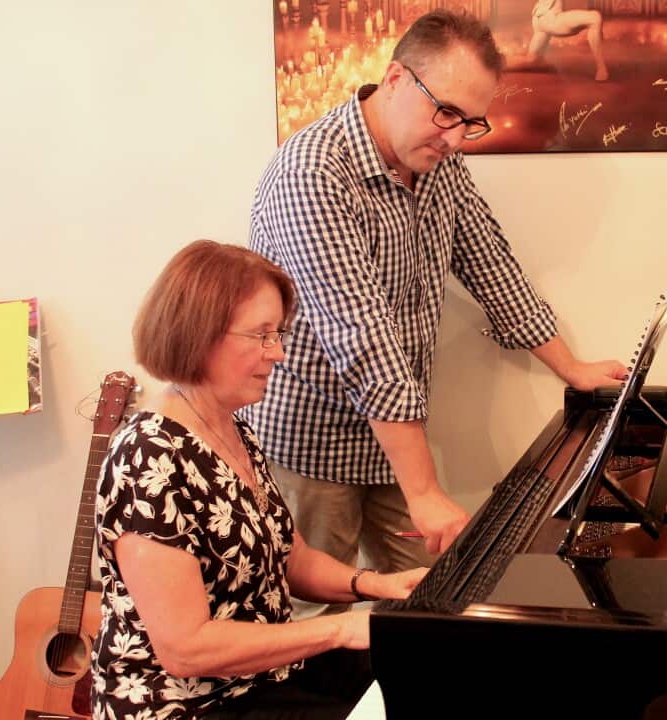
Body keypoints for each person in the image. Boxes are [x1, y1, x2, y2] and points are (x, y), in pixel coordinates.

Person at [242, 9, 626, 614]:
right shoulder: (312, 174)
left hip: (394, 439)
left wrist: (570, 367)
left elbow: (491, 265)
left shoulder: (439, 162)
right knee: (320, 618)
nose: (455, 138)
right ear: (396, 79)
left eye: (471, 122)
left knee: (428, 603)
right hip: (312, 442)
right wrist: (423, 491)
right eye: (446, 112)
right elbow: (363, 340)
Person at [91, 240, 426, 719]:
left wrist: (380, 586)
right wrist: (340, 629)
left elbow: (291, 558)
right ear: (199, 335)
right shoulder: (148, 456)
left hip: (263, 678)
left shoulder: (232, 428)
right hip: (189, 704)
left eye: (278, 334)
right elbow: (186, 648)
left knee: (421, 665)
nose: (279, 353)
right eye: (262, 335)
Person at [509, 0, 610, 82]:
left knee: (532, 60)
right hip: (550, 18)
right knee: (595, 17)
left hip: (539, 19)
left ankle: (503, 62)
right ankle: (601, 68)